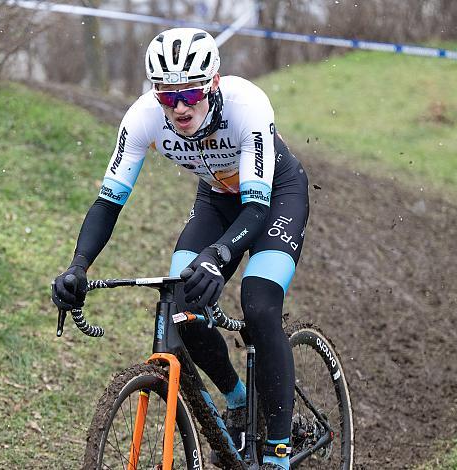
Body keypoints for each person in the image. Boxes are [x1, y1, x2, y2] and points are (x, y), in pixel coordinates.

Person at [52, 27, 309, 470]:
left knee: (259, 304)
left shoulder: (247, 106)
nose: (180, 107)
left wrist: (220, 255)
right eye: (167, 97)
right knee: (182, 300)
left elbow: (255, 209)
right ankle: (239, 401)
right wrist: (77, 266)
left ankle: (279, 452)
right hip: (215, 199)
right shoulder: (141, 118)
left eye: (189, 93)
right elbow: (108, 202)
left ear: (212, 83)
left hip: (273, 198)